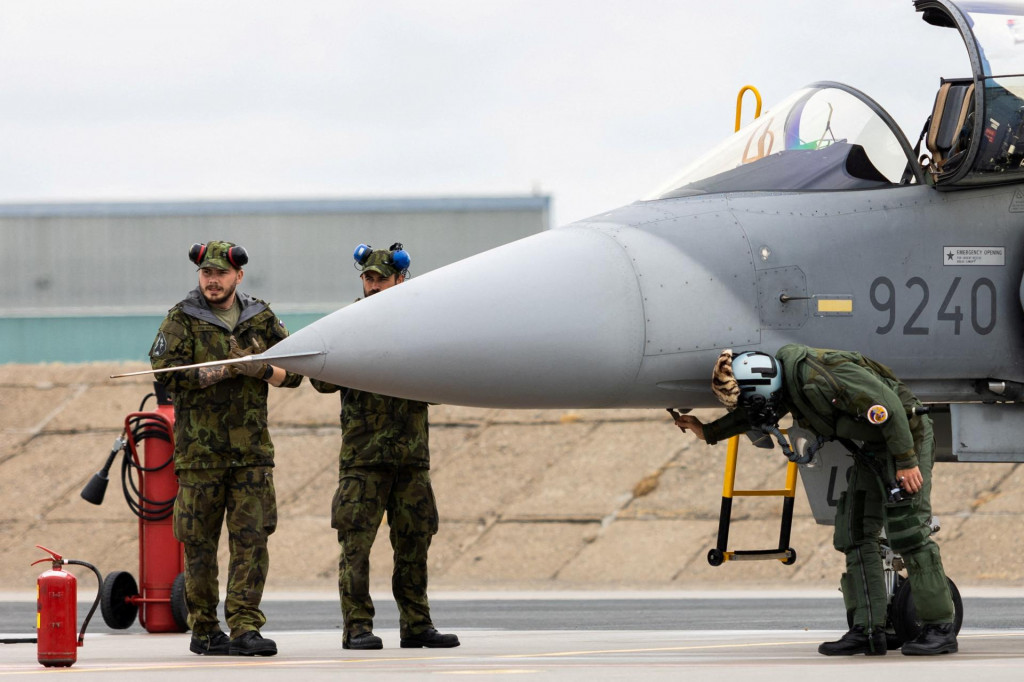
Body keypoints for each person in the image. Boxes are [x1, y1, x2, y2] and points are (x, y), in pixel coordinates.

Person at [672, 344, 957, 657]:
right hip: (876, 447)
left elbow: (888, 408)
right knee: (854, 531)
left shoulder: (823, 376)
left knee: (909, 531)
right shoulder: (785, 386)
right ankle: (867, 630)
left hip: (906, 438)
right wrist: (709, 431)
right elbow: (755, 413)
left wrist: (906, 461)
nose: (756, 408)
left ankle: (939, 629)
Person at [149, 240, 303, 657]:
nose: (212, 280)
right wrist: (223, 371)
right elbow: (165, 373)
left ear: (239, 276)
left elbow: (295, 372)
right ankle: (204, 629)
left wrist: (260, 368)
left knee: (252, 540)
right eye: (206, 273)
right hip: (201, 456)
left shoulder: (260, 318)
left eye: (220, 273)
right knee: (199, 544)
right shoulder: (182, 319)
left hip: (251, 453)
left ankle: (245, 627)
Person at [310, 243, 459, 651]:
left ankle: (417, 625)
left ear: (400, 279)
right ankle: (357, 627)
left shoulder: (421, 328)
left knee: (414, 544)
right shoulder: (344, 325)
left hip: (411, 460)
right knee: (356, 548)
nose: (374, 286)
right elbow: (320, 380)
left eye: (381, 279)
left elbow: (444, 384)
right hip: (363, 461)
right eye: (368, 279)